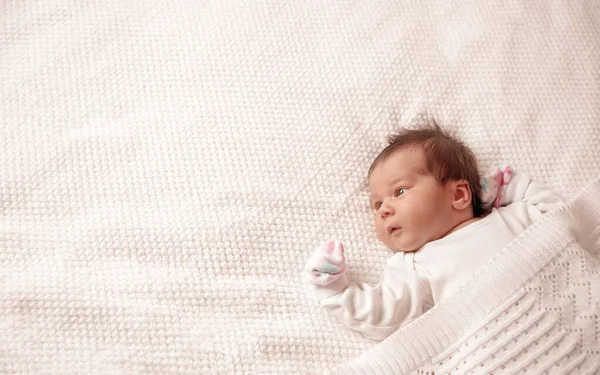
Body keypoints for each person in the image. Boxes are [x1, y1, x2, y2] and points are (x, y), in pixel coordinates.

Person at [304, 120, 565, 341]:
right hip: (500, 342)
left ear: (459, 194)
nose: (384, 209)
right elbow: (383, 313)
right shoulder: (414, 266)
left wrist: (505, 187)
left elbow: (560, 215)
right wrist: (336, 291)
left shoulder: (508, 219)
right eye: (377, 203)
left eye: (400, 191)